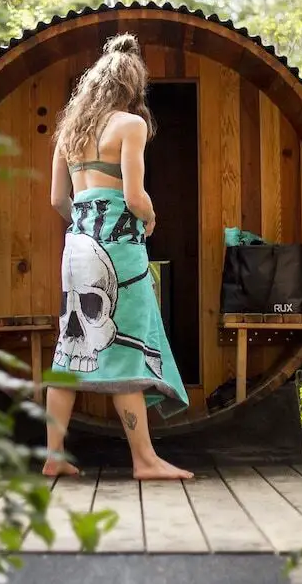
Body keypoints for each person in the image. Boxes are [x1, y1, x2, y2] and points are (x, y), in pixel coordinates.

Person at [43, 32, 193, 481]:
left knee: (71, 347)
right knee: (127, 346)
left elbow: (56, 199)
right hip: (118, 248)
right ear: (131, 88)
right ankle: (145, 461)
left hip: (77, 248)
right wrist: (149, 217)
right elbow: (133, 195)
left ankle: (53, 454)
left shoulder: (69, 133)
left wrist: (84, 224)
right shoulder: (130, 125)